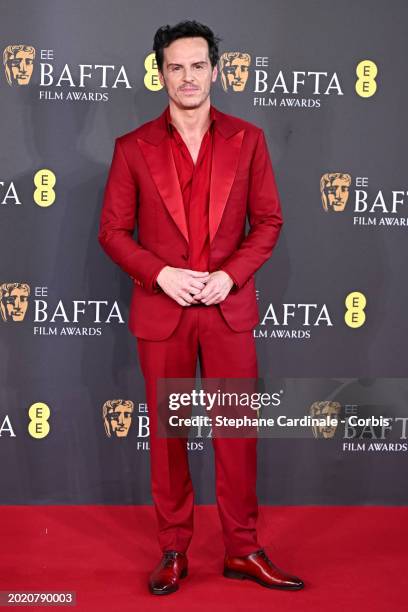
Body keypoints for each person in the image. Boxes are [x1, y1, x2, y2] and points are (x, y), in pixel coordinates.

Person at [98, 19, 304, 595]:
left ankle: (243, 549)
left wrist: (230, 276)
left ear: (216, 69)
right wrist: (160, 273)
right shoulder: (131, 148)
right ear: (160, 73)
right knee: (168, 438)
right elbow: (113, 232)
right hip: (161, 314)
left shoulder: (250, 140)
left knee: (236, 434)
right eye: (175, 67)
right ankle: (173, 551)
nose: (187, 77)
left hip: (227, 310)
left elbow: (268, 222)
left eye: (197, 65)